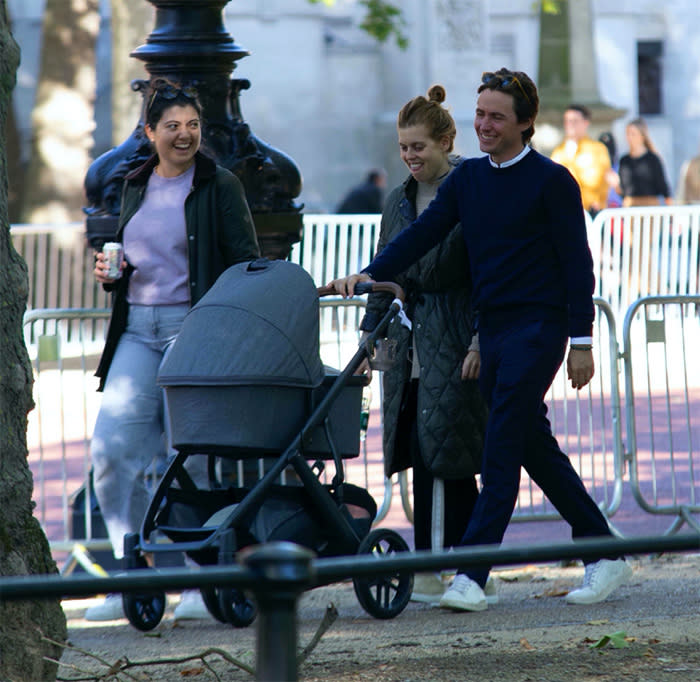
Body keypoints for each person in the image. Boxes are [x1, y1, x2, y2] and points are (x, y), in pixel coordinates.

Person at [329, 67, 632, 612]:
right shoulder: (468, 181)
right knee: (530, 446)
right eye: (480, 114)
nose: (484, 125)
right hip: (492, 329)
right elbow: (420, 236)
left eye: (496, 116)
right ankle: (605, 552)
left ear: (525, 123)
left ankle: (470, 573)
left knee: (498, 451)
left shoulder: (552, 181)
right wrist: (370, 273)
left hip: (538, 330)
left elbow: (576, 266)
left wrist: (581, 341)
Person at [85, 79, 260, 621]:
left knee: (194, 460)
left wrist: (226, 332)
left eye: (193, 126)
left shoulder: (219, 183)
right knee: (111, 454)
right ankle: (132, 576)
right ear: (149, 133)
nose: (184, 135)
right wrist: (110, 275)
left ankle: (199, 582)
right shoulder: (133, 182)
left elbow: (247, 261)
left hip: (195, 325)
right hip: (136, 327)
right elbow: (130, 253)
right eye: (172, 126)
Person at [359, 85, 490, 605]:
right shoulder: (398, 200)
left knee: (451, 452)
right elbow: (383, 263)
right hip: (408, 338)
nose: (411, 156)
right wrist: (369, 339)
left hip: (456, 335)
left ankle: (465, 565)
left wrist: (480, 337)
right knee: (418, 445)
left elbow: (486, 272)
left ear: (445, 142)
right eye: (404, 147)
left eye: (420, 147)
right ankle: (434, 560)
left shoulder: (469, 190)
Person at [551, 104, 611, 217]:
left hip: (591, 212)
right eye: (567, 121)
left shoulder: (598, 149)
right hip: (563, 211)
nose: (570, 125)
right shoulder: (558, 151)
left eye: (574, 121)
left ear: (586, 123)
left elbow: (603, 182)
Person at [610, 118, 672, 207]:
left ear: (642, 136)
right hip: (630, 206)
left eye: (633, 134)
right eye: (628, 134)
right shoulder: (624, 161)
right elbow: (624, 191)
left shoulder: (653, 159)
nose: (630, 138)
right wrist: (615, 184)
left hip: (650, 206)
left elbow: (663, 187)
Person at [598, 131, 623, 209]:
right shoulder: (594, 169)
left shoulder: (621, 166)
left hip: (619, 211)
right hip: (600, 211)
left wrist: (616, 185)